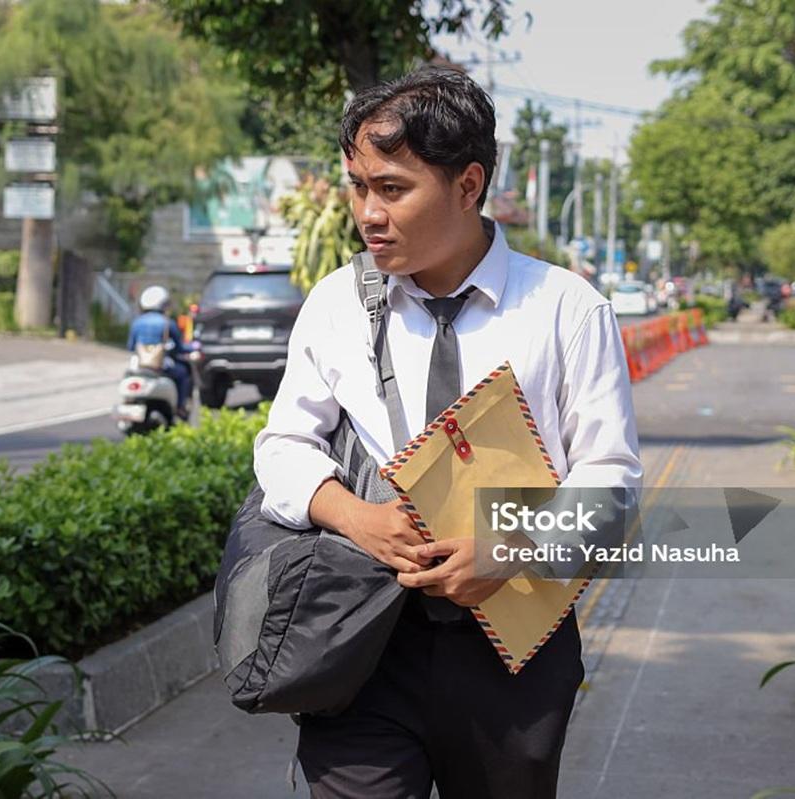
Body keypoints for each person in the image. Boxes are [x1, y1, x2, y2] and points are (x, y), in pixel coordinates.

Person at [252, 68, 642, 799]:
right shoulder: (339, 302)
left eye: (392, 188)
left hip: (512, 655)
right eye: (358, 186)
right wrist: (356, 517)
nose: (368, 212)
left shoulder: (566, 310)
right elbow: (281, 446)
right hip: (362, 641)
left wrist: (505, 551)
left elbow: (612, 485)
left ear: (468, 185)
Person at [126, 285, 191, 419]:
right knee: (183, 373)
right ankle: (180, 407)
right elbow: (180, 348)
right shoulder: (167, 323)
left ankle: (129, 401)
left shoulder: (137, 322)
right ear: (163, 304)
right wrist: (194, 347)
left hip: (140, 367)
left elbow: (131, 346)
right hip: (160, 366)